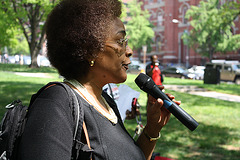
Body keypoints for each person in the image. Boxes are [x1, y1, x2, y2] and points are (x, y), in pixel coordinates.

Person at [18, 0, 180, 160]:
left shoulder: (106, 101)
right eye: (120, 41)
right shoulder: (55, 103)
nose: (129, 51)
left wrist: (152, 128)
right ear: (90, 50)